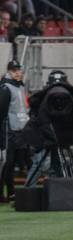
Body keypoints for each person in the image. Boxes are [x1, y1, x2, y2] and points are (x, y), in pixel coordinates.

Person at [0, 60, 29, 203]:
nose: (18, 73)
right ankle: (10, 193)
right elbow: (2, 113)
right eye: (15, 71)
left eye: (19, 70)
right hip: (9, 130)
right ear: (9, 72)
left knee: (22, 161)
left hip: (21, 129)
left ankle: (21, 192)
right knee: (8, 163)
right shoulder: (6, 88)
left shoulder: (20, 86)